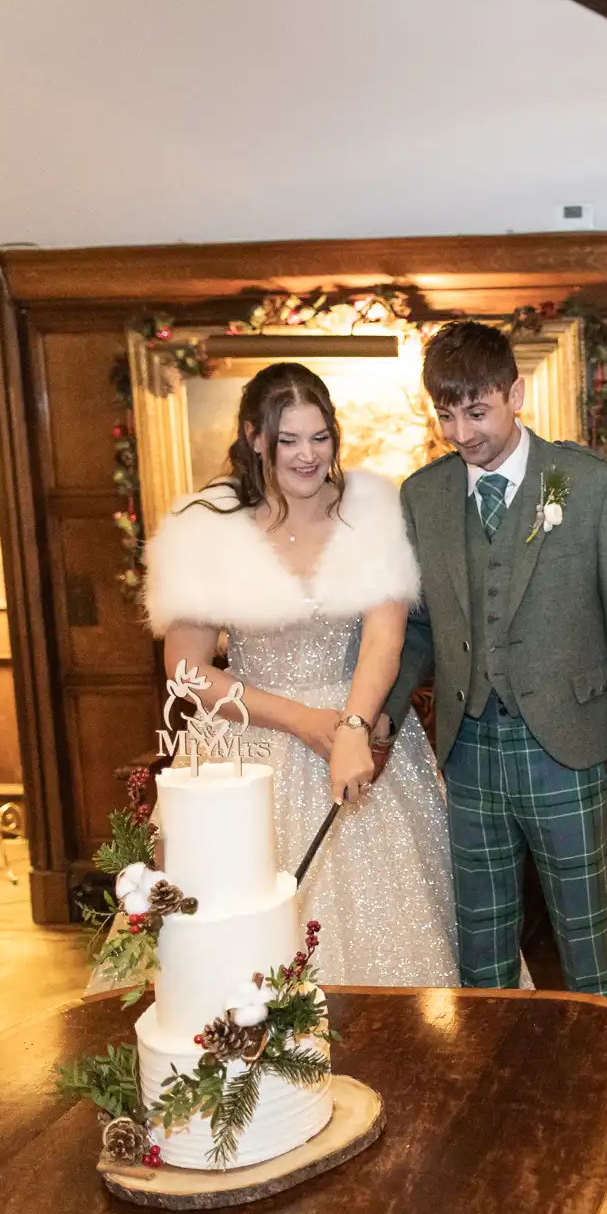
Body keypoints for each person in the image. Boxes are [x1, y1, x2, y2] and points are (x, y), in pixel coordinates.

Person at [144, 361, 461, 987]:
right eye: (289, 439)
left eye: (320, 438)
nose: (308, 455)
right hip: (243, 751)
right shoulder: (205, 526)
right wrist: (300, 721)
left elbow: (385, 640)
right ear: (254, 437)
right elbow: (184, 668)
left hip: (356, 730)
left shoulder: (372, 509)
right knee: (238, 942)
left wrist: (350, 725)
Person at [385, 320, 607, 999]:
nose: (461, 432)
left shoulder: (590, 486)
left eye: (476, 411)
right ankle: (494, 1078)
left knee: (585, 934)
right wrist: (377, 722)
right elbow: (417, 630)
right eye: (446, 414)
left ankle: (602, 1078)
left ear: (515, 392)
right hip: (469, 747)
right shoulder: (423, 496)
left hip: (566, 748)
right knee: (481, 942)